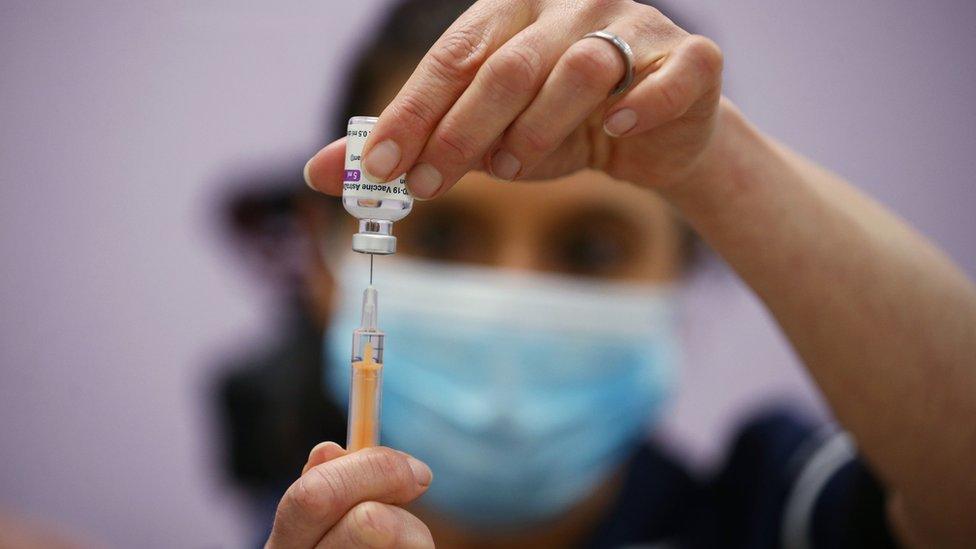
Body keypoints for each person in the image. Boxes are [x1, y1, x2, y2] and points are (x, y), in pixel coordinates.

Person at [268, 0, 976, 547]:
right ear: (322, 262)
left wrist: (713, 162)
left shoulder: (771, 512)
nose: (515, 296)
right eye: (444, 234)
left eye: (592, 251)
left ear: (682, 269)